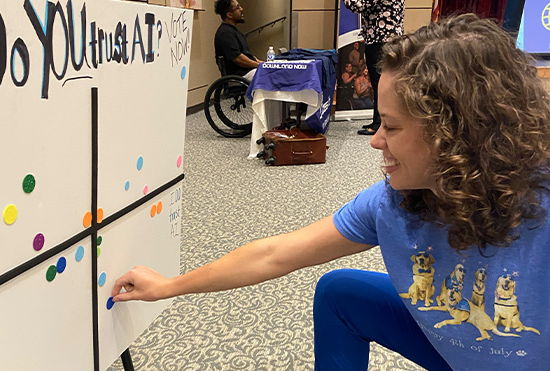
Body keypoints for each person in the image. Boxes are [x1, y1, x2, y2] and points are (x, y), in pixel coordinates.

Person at [112, 14, 550, 370]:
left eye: (392, 127)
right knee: (341, 293)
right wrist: (170, 286)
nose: (375, 141)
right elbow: (275, 254)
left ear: (457, 133)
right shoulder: (392, 201)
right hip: (452, 340)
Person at [342, 0, 404, 135]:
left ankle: (380, 124)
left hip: (380, 40)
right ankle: (380, 121)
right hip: (385, 39)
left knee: (381, 83)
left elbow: (358, 5)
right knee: (381, 82)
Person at [214, 0, 262, 81]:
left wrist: (263, 63)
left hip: (247, 72)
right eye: (238, 7)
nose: (241, 9)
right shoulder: (225, 33)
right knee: (271, 76)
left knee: (273, 71)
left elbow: (247, 56)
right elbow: (238, 59)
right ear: (229, 14)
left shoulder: (234, 31)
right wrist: (258, 65)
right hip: (240, 76)